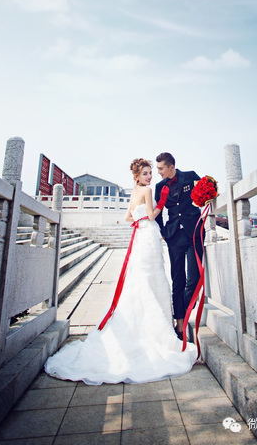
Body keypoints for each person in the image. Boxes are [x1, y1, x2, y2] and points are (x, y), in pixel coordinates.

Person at [44, 158, 197, 384]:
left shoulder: (135, 192)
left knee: (143, 279)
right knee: (153, 278)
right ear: (137, 176)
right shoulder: (147, 190)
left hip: (141, 235)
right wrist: (162, 202)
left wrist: (139, 219)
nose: (150, 176)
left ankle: (150, 324)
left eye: (151, 172)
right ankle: (161, 328)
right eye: (146, 173)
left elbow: (128, 217)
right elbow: (152, 215)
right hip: (149, 234)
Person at [155, 152, 202, 341]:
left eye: (161, 168)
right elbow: (158, 213)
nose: (158, 172)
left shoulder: (190, 176)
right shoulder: (159, 187)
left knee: (194, 279)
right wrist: (164, 233)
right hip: (174, 236)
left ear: (171, 167)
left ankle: (186, 311)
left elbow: (205, 195)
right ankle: (180, 323)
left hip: (194, 233)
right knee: (178, 280)